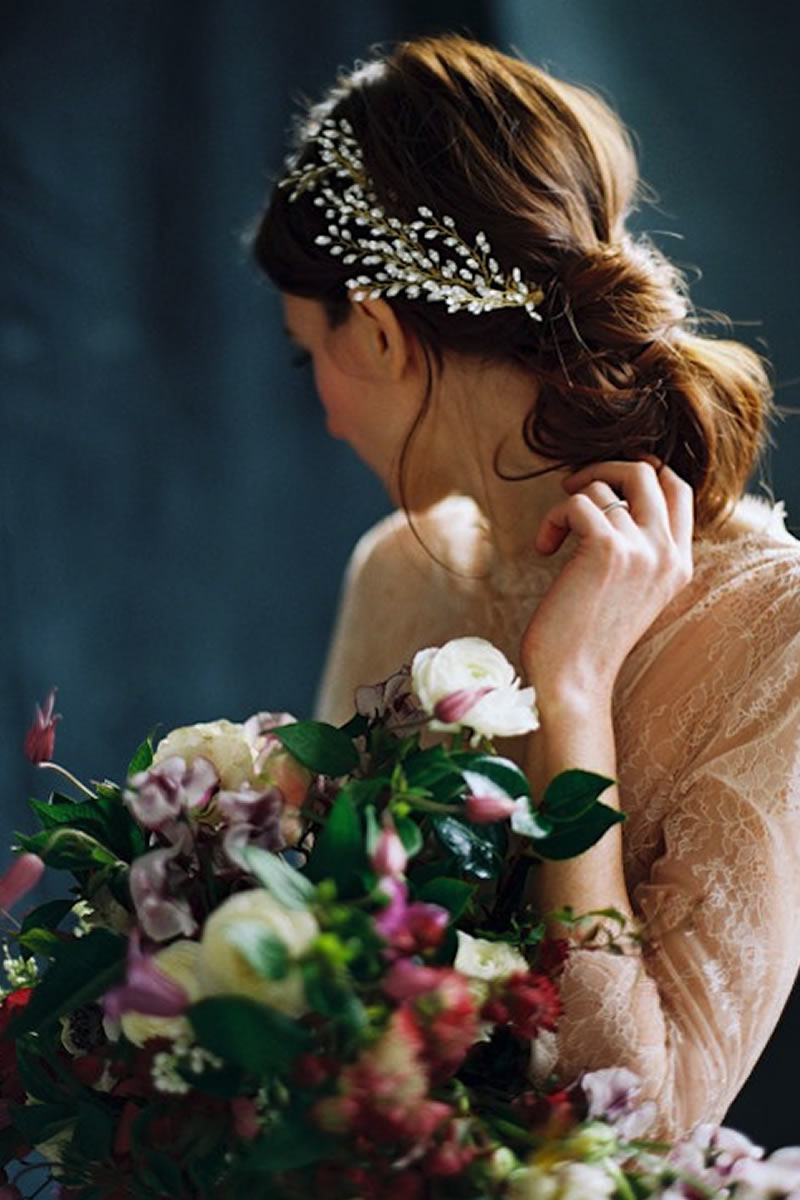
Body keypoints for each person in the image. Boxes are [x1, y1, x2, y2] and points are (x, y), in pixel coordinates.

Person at [250, 34, 800, 1139]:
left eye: (308, 353)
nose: (322, 410)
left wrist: (574, 690)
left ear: (378, 333)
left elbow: (647, 1119)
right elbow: (320, 967)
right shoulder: (394, 573)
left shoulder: (777, 627)